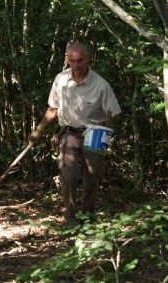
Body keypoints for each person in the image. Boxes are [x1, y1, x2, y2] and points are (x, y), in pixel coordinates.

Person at [29, 42, 121, 223]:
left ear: (88, 59)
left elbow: (115, 114)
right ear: (67, 60)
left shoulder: (101, 85)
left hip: (94, 132)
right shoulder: (60, 80)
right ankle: (70, 218)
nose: (76, 66)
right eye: (72, 61)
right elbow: (53, 110)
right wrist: (37, 133)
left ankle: (88, 216)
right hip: (69, 132)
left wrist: (106, 134)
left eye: (80, 61)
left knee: (92, 176)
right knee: (69, 175)